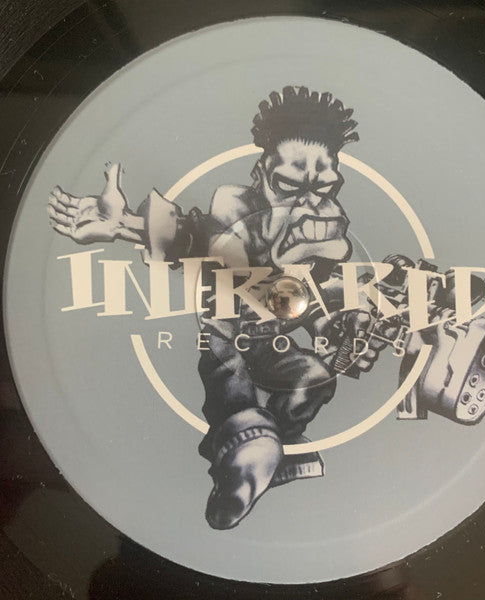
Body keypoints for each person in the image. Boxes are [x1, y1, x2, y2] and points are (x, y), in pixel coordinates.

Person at [48, 86, 397, 528]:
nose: (309, 200)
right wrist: (125, 225)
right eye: (289, 185)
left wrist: (337, 328)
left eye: (325, 186)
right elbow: (193, 237)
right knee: (231, 383)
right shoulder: (233, 214)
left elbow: (310, 292)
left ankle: (274, 451)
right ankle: (240, 459)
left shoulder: (324, 225)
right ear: (261, 172)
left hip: (273, 339)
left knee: (312, 379)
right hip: (228, 331)